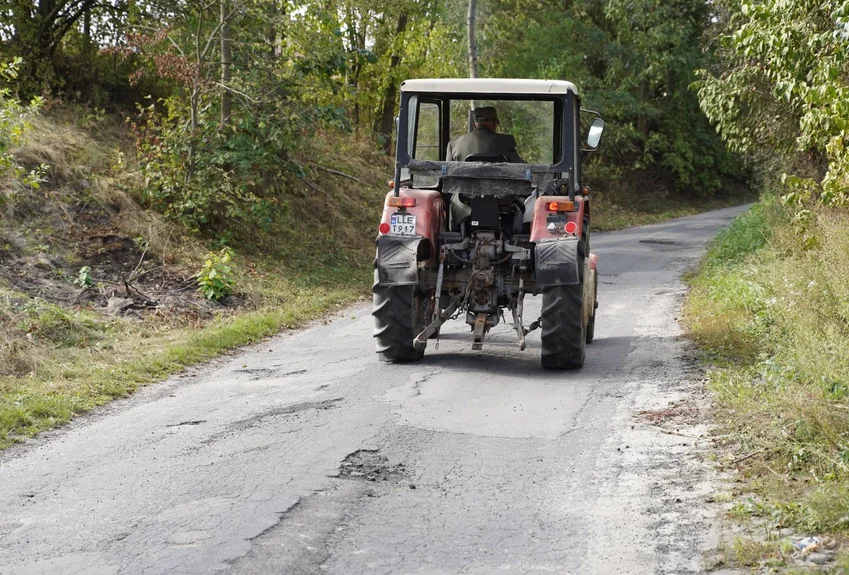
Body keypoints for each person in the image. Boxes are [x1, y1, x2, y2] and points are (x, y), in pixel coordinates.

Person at [446, 106, 524, 163]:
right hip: (499, 186)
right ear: (494, 124)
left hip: (462, 186)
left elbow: (447, 173)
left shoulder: (453, 145)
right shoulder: (506, 142)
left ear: (473, 124)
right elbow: (522, 168)